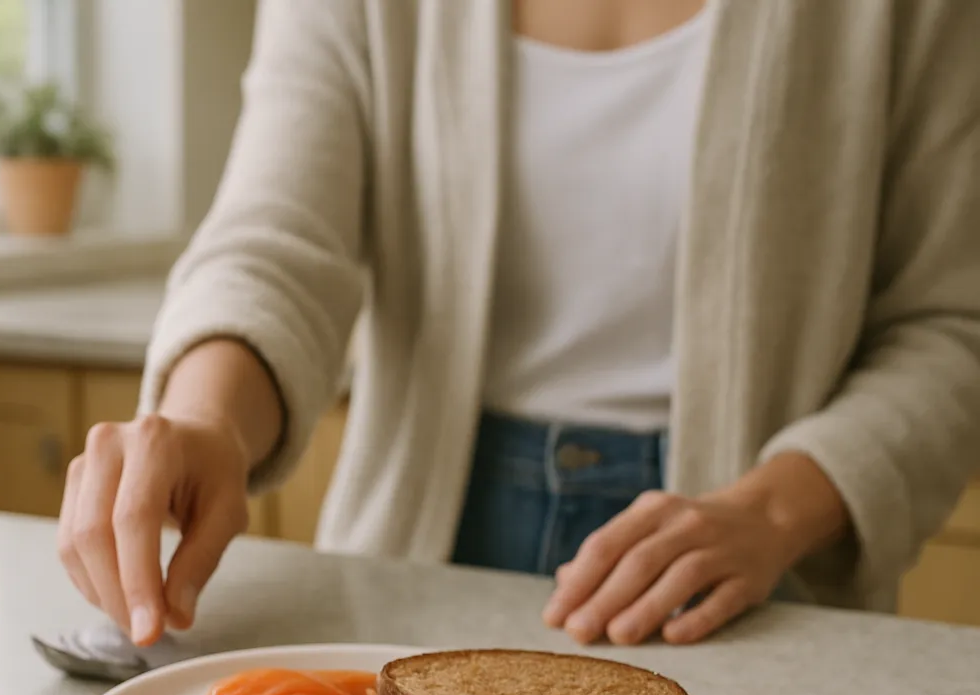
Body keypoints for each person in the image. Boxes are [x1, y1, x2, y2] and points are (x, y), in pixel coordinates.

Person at [57, 0, 980, 649]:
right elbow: (275, 240)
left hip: (753, 568)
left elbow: (950, 325)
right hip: (425, 546)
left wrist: (772, 510)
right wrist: (207, 419)